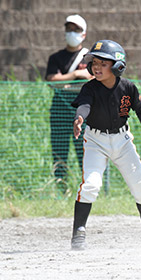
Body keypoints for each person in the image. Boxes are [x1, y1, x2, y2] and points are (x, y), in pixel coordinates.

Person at [70, 39, 141, 250]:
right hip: (95, 141)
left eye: (103, 63)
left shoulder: (128, 87)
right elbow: (84, 105)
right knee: (91, 185)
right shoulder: (90, 88)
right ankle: (78, 231)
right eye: (94, 62)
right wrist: (79, 118)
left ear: (117, 66)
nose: (96, 67)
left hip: (122, 141)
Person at [45, 14, 93, 193]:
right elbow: (52, 80)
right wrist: (75, 76)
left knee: (85, 151)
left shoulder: (89, 57)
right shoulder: (56, 57)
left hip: (84, 110)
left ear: (84, 34)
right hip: (59, 109)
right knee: (59, 151)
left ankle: (88, 190)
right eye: (69, 29)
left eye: (76, 29)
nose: (72, 33)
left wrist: (65, 82)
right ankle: (61, 189)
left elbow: (94, 79)